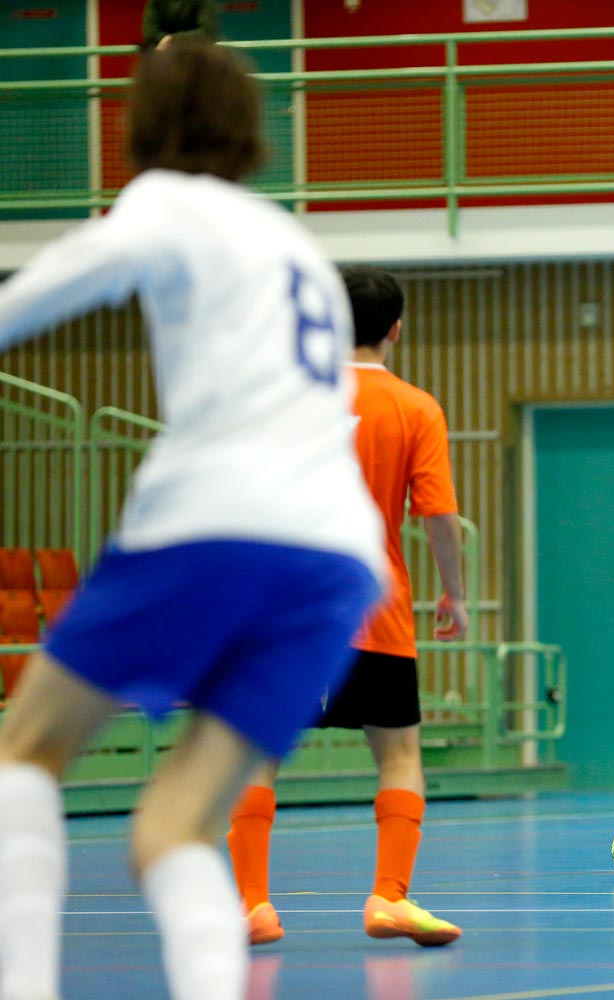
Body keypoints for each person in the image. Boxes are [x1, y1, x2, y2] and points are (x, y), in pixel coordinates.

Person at [0, 41, 385, 1000]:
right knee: (170, 829)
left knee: (25, 751)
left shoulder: (166, 204)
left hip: (217, 514)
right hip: (336, 557)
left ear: (141, 123)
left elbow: (46, 291)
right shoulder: (290, 240)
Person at [226, 265, 469, 949]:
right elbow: (441, 518)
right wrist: (454, 591)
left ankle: (253, 907)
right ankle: (388, 898)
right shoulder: (417, 408)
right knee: (399, 757)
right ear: (396, 328)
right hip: (375, 610)